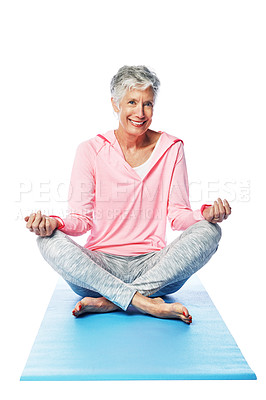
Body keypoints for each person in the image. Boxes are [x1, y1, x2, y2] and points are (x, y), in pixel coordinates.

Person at [25, 65, 231, 324]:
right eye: (132, 102)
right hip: (99, 269)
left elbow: (178, 216)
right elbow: (80, 220)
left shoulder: (171, 148)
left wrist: (206, 215)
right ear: (115, 104)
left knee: (211, 231)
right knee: (47, 240)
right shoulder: (90, 150)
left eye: (148, 104)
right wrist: (55, 223)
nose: (140, 113)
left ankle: (111, 301)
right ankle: (144, 302)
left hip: (155, 267)